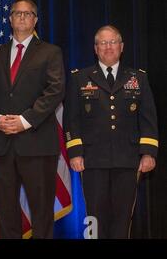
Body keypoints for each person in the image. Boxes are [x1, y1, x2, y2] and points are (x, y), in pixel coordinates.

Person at [63, 25, 158, 239]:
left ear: (121, 47)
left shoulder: (138, 78)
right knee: (95, 216)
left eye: (113, 42)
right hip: (92, 159)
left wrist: (148, 152)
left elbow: (148, 118)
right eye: (103, 43)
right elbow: (71, 119)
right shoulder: (80, 78)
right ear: (95, 48)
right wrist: (75, 152)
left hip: (127, 159)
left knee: (123, 215)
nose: (108, 47)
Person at [0, 0, 65, 238]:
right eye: (16, 13)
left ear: (35, 20)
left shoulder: (50, 52)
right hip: (2, 145)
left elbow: (55, 91)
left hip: (37, 144)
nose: (21, 17)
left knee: (41, 214)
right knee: (7, 213)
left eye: (27, 13)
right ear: (9, 19)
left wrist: (23, 121)